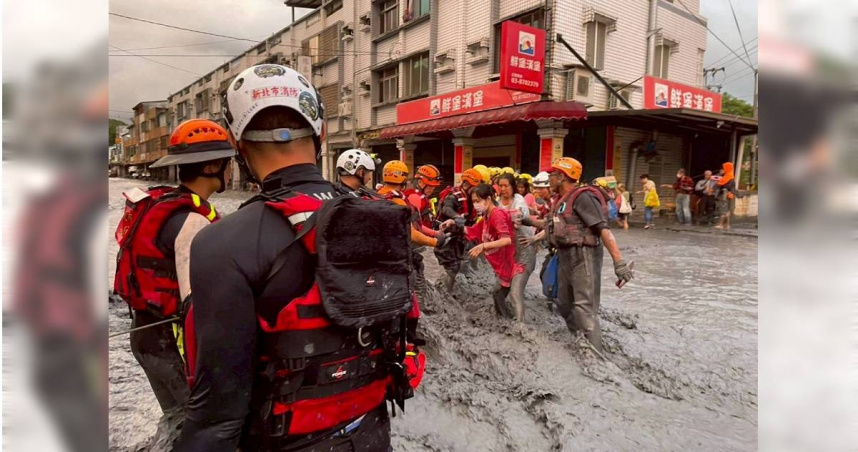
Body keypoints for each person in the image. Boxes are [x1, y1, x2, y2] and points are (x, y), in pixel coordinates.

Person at [177, 64, 423, 451]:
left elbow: (217, 418)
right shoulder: (382, 217)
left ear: (235, 144)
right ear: (322, 133)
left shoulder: (220, 243)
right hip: (373, 432)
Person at [113, 119, 234, 451]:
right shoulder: (192, 221)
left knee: (178, 418)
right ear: (212, 166)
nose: (230, 169)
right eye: (226, 162)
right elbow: (197, 307)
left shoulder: (163, 204)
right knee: (201, 427)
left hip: (146, 335)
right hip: (171, 344)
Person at [542, 158, 632, 351]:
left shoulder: (583, 197)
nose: (549, 178)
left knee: (584, 309)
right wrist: (525, 220)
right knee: (564, 305)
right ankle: (581, 341)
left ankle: (597, 358)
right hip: (564, 256)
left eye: (552, 174)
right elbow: (554, 227)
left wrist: (619, 262)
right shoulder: (559, 201)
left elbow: (604, 230)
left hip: (584, 256)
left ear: (562, 176)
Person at [379, 161, 449, 296]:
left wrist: (435, 233)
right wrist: (436, 241)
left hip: (383, 248)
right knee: (415, 270)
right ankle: (419, 306)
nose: (432, 190)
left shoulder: (379, 194)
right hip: (396, 248)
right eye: (430, 186)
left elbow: (417, 226)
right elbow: (412, 232)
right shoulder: (403, 199)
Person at [459, 184, 522, 318]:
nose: (476, 205)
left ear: (488, 199)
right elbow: (473, 231)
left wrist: (483, 246)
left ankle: (515, 326)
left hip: (513, 261)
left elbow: (506, 239)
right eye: (473, 202)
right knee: (499, 295)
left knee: (506, 295)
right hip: (504, 263)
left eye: (477, 201)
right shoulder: (486, 217)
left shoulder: (496, 214)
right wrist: (453, 225)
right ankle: (507, 322)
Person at [434, 168, 483, 291]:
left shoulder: (472, 198)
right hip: (447, 236)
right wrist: (456, 217)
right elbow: (447, 209)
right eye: (474, 187)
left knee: (462, 261)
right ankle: (445, 292)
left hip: (460, 236)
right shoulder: (453, 197)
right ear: (465, 184)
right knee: (452, 266)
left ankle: (454, 289)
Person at [496, 173, 536, 320]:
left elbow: (520, 213)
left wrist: (517, 218)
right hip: (507, 256)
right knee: (497, 293)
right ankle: (503, 321)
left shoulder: (518, 200)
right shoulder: (497, 203)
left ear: (513, 187)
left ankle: (521, 329)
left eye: (506, 185)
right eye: (501, 185)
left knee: (515, 293)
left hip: (524, 253)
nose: (503, 188)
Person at [716, 162, 741, 230]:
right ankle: (727, 225)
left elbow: (720, 185)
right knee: (727, 210)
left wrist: (719, 182)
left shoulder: (727, 177)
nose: (723, 170)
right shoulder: (730, 176)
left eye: (724, 168)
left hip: (725, 195)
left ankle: (721, 224)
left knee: (723, 210)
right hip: (729, 195)